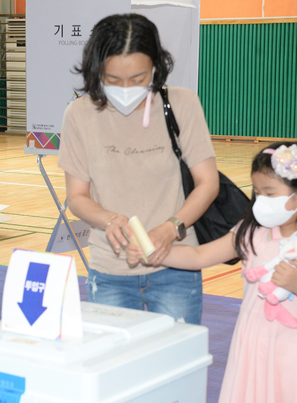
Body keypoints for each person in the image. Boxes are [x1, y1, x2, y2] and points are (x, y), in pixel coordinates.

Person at [128, 142, 297, 403]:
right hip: (252, 354)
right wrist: (155, 254)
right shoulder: (251, 232)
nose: (260, 201)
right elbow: (198, 254)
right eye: (256, 192)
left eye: (270, 193)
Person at [58, 13, 219, 324]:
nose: (126, 88)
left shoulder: (182, 104)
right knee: (115, 366)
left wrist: (169, 229)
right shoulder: (79, 114)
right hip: (110, 270)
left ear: (156, 68)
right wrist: (108, 219)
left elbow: (207, 183)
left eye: (139, 78)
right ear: (96, 70)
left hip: (176, 266)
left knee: (175, 366)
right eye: (114, 80)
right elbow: (77, 196)